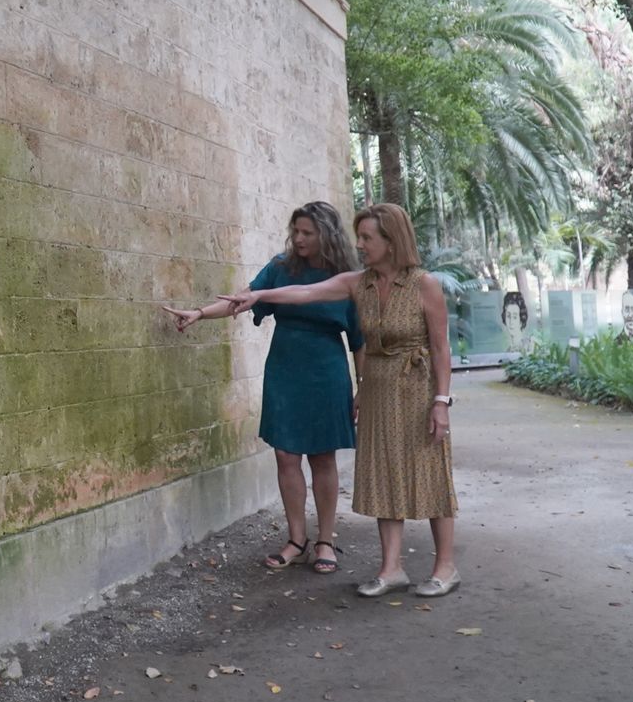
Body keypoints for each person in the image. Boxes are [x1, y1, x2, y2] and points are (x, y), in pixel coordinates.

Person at [221, 203, 460, 598]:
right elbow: (305, 292)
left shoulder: (424, 284)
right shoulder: (358, 283)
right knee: (385, 475)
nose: (360, 244)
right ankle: (391, 568)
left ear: (391, 240)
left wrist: (441, 402)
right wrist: (258, 293)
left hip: (417, 389)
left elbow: (440, 348)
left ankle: (445, 567)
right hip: (379, 389)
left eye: (367, 238)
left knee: (429, 472)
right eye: (360, 237)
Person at [162, 201, 363, 574]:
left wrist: (362, 388)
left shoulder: (346, 278)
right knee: (286, 455)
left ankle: (326, 541)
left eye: (307, 232)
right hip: (285, 368)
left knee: (322, 456)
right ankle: (296, 538)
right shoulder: (281, 267)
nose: (299, 238)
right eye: (296, 231)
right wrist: (200, 313)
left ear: (326, 235)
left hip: (327, 370)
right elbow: (242, 299)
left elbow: (360, 341)